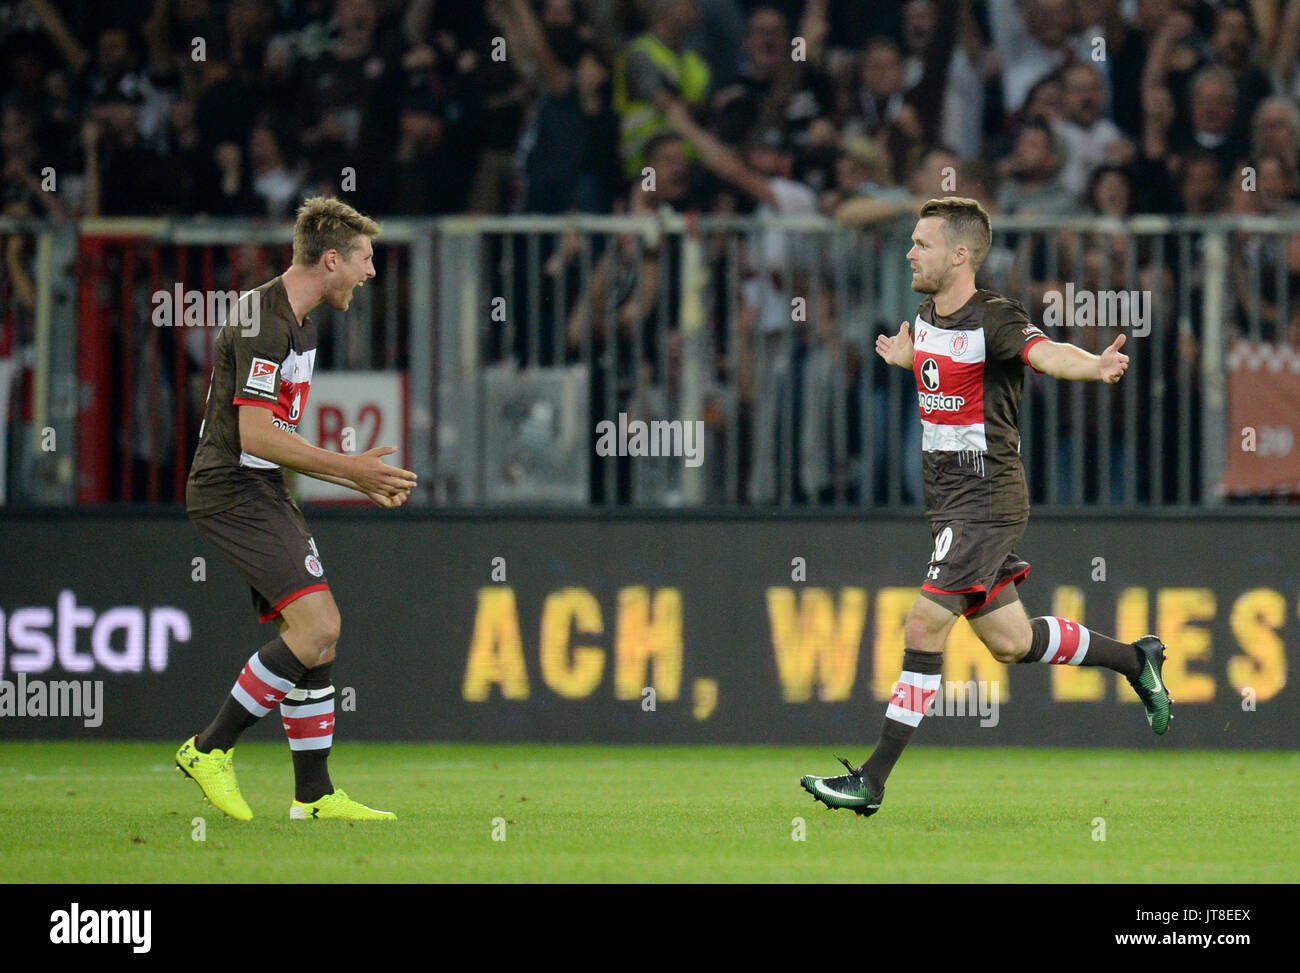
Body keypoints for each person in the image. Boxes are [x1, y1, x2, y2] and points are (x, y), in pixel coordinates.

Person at [799, 197, 1172, 817]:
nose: (910, 252)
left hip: (985, 498)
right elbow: (947, 371)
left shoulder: (995, 316)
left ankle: (871, 781)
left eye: (922, 243)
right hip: (948, 504)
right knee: (1011, 641)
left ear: (960, 254)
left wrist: (1094, 365)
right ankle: (1137, 659)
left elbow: (1043, 352)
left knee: (923, 625)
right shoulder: (925, 318)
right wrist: (907, 358)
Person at [177, 197, 417, 822]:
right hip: (232, 485)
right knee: (318, 628)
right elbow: (255, 436)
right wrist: (353, 469)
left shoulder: (300, 320)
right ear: (332, 259)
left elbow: (270, 436)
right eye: (364, 259)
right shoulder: (265, 320)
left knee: (317, 639)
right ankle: (209, 749)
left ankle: (312, 796)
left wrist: (352, 475)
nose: (370, 273)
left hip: (260, 486)